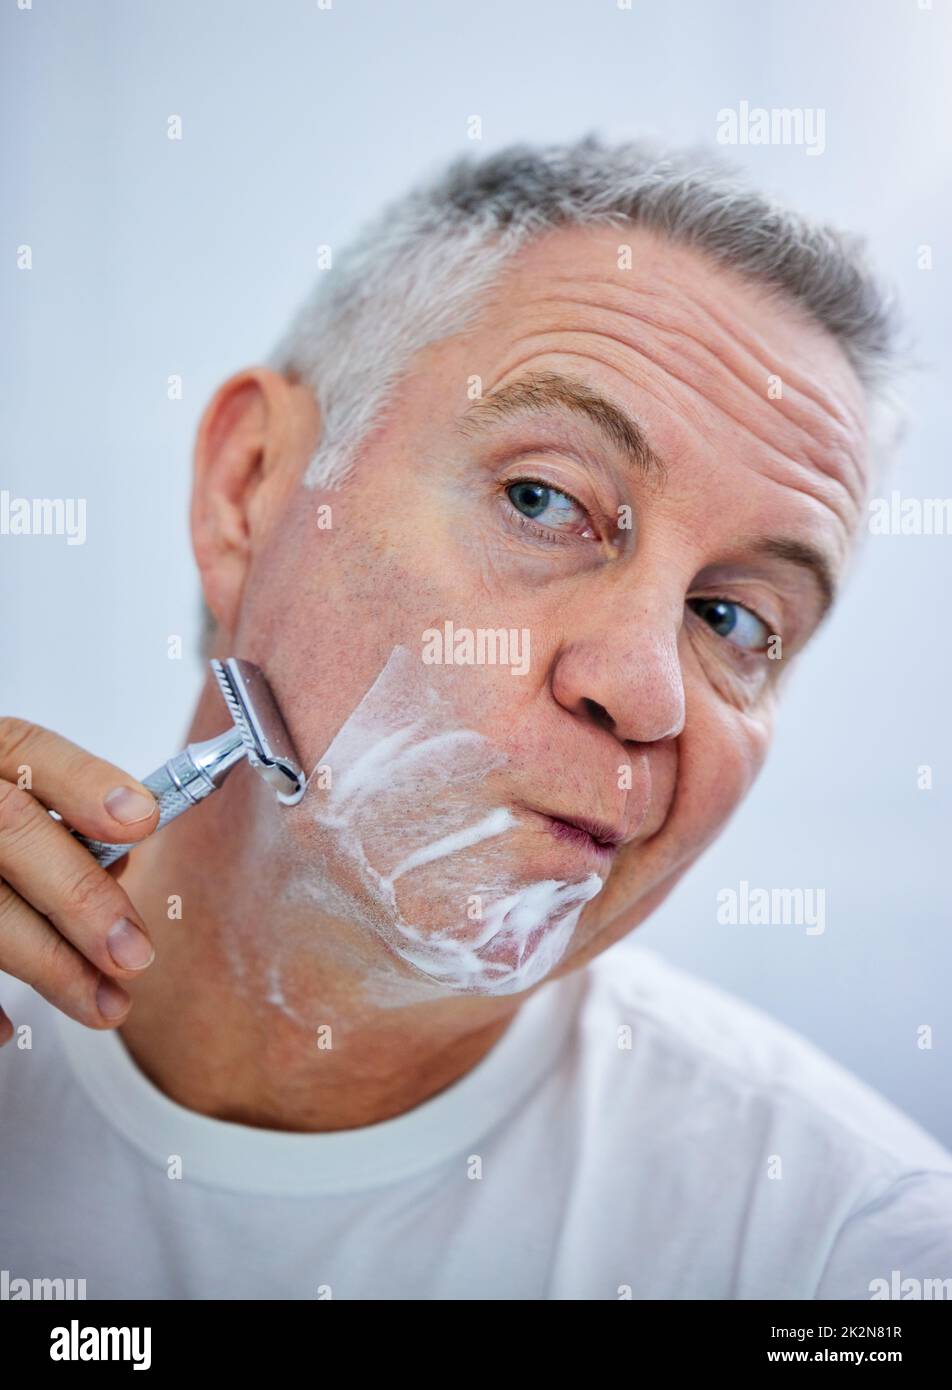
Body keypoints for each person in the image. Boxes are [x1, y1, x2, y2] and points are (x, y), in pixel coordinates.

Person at [2, 135, 950, 1301]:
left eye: (734, 619)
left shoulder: (847, 1255)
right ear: (251, 485)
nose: (646, 691)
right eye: (541, 498)